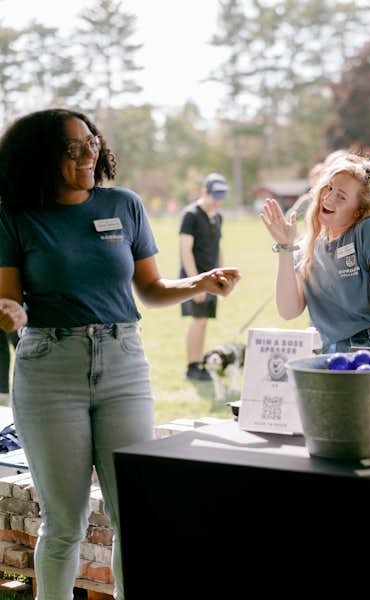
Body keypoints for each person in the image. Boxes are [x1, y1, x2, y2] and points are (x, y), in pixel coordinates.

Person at [0, 108, 241, 599]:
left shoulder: (124, 205)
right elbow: (7, 301)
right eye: (72, 148)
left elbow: (149, 289)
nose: (88, 153)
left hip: (123, 364)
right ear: (40, 157)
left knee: (134, 512)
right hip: (50, 369)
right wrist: (11, 315)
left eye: (91, 141)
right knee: (65, 523)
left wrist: (201, 283)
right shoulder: (15, 216)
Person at [260, 153, 370, 352]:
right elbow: (289, 311)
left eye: (341, 196)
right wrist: (285, 247)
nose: (328, 197)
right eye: (329, 187)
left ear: (360, 209)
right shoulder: (309, 244)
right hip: (327, 352)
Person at [179, 172, 229, 381]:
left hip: (212, 279)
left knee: (204, 321)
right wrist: (195, 283)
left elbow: (218, 248)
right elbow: (185, 251)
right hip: (195, 278)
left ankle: (199, 363)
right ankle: (192, 367)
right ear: (204, 192)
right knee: (197, 320)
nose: (217, 201)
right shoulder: (190, 215)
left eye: (221, 197)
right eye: (214, 196)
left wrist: (224, 277)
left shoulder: (217, 217)